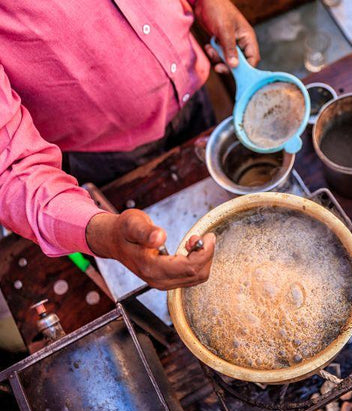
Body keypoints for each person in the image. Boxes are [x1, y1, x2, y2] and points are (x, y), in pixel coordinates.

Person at [0, 0, 260, 290]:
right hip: (106, 158)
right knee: (167, 252)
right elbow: (10, 170)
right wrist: (108, 236)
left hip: (193, 93)